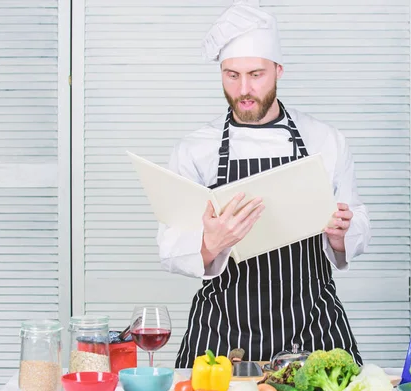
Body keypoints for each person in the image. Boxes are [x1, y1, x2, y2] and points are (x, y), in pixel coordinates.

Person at [156, 1, 372, 368]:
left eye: (256, 74)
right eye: (232, 75)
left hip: (313, 330)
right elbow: (169, 247)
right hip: (222, 335)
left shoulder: (325, 140)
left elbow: (358, 226)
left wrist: (342, 235)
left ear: (278, 70)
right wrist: (210, 243)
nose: (244, 89)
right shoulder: (196, 148)